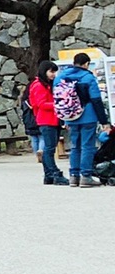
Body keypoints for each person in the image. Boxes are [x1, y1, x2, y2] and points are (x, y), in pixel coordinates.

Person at [53, 52, 110, 188]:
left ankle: (74, 176)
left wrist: (64, 120)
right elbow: (96, 100)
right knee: (87, 146)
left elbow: (58, 100)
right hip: (88, 116)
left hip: (70, 117)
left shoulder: (61, 77)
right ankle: (86, 176)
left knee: (75, 146)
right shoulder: (87, 77)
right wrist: (104, 122)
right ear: (86, 64)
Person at [27, 63, 64, 185]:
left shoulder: (46, 84)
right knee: (49, 148)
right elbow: (40, 104)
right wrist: (58, 104)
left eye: (54, 72)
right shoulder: (39, 86)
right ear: (44, 71)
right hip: (46, 119)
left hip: (52, 119)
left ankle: (49, 175)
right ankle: (54, 173)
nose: (54, 74)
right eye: (51, 71)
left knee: (49, 148)